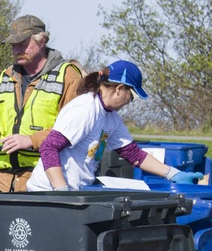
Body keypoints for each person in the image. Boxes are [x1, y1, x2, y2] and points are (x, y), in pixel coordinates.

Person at [26, 61, 202, 191]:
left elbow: (133, 154)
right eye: (132, 96)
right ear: (119, 89)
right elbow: (49, 147)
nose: (130, 102)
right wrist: (61, 191)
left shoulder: (111, 118)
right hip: (47, 193)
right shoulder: (86, 108)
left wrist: (173, 174)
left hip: (75, 191)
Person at [0, 15, 83, 192]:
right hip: (4, 182)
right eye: (13, 45)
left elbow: (75, 127)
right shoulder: (3, 78)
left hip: (45, 180)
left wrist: (31, 140)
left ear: (42, 40)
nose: (16, 50)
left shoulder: (68, 77)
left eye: (22, 44)